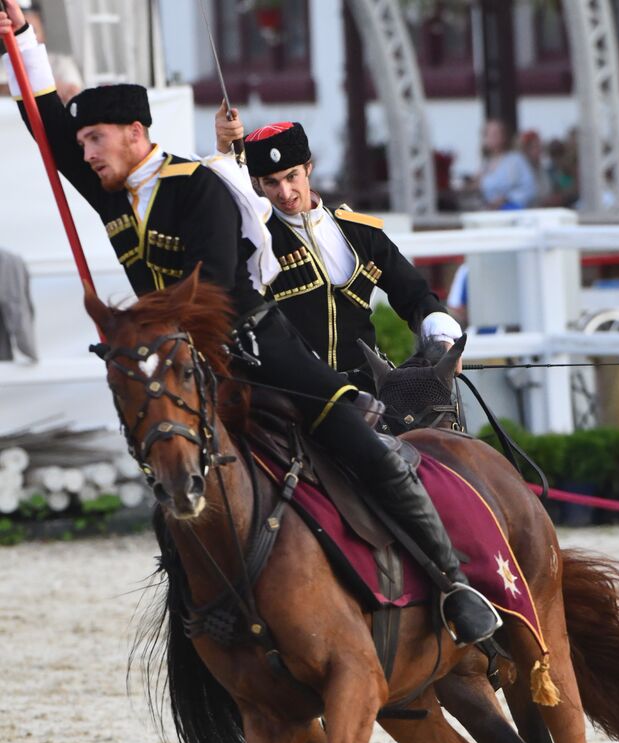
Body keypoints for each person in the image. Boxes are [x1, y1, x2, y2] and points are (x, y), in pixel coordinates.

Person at [0, 0, 499, 645]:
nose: (85, 153)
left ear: (133, 132)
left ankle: (454, 584)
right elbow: (46, 129)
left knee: (358, 439)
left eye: (94, 139)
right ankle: (202, 608)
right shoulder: (110, 191)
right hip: (180, 358)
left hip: (253, 345)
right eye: (83, 143)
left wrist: (143, 327)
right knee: (171, 461)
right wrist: (21, 41)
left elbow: (210, 287)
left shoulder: (196, 185)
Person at [213, 110, 464, 389]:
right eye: (272, 182)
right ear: (257, 184)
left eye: (291, 176)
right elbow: (224, 207)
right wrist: (223, 151)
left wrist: (440, 334)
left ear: (308, 168)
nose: (285, 192)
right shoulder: (255, 237)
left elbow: (414, 293)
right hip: (295, 392)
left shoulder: (359, 231)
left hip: (366, 387)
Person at [0, 0, 83, 102]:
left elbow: (73, 92)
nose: (23, 33)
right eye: (17, 31)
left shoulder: (62, 63)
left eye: (32, 30)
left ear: (43, 32)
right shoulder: (4, 63)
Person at [478, 119, 537, 211]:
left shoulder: (516, 160)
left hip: (512, 213)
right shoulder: (486, 164)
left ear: (503, 136)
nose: (491, 138)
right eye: (487, 134)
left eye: (495, 134)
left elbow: (530, 189)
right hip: (491, 214)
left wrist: (506, 199)